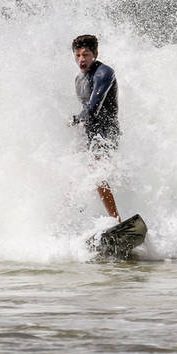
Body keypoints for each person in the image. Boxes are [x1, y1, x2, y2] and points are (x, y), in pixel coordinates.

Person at [69, 34, 121, 222]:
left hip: (107, 132)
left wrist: (75, 119)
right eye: (78, 55)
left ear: (95, 54)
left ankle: (117, 221)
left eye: (86, 54)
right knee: (74, 177)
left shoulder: (104, 73)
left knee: (97, 173)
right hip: (90, 136)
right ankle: (75, 223)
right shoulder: (79, 80)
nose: (81, 59)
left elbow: (92, 109)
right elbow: (85, 112)